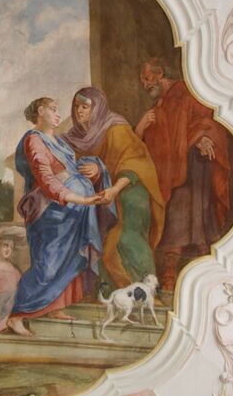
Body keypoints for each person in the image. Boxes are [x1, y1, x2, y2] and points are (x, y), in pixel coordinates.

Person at [7, 97, 116, 336]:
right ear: (40, 111)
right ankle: (17, 315)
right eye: (53, 110)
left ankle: (56, 307)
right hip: (51, 212)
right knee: (48, 264)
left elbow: (74, 168)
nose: (58, 114)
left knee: (70, 259)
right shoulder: (34, 140)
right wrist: (80, 199)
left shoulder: (59, 142)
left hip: (73, 214)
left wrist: (96, 169)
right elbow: (46, 178)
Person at [135, 58, 231, 292]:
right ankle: (170, 273)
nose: (145, 85)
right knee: (175, 220)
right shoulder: (160, 104)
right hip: (171, 172)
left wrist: (201, 137)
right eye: (143, 81)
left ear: (160, 74)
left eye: (147, 79)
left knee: (198, 220)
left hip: (195, 167)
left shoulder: (186, 92)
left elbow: (206, 120)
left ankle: (206, 275)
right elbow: (159, 139)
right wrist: (144, 127)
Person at [63, 87, 165, 291]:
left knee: (126, 238)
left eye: (85, 106)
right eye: (76, 106)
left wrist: (111, 185)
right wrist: (97, 171)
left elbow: (134, 162)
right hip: (99, 194)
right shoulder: (73, 137)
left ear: (98, 108)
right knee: (95, 234)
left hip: (128, 189)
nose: (79, 111)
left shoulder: (115, 127)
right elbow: (70, 167)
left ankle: (146, 291)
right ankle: (113, 290)